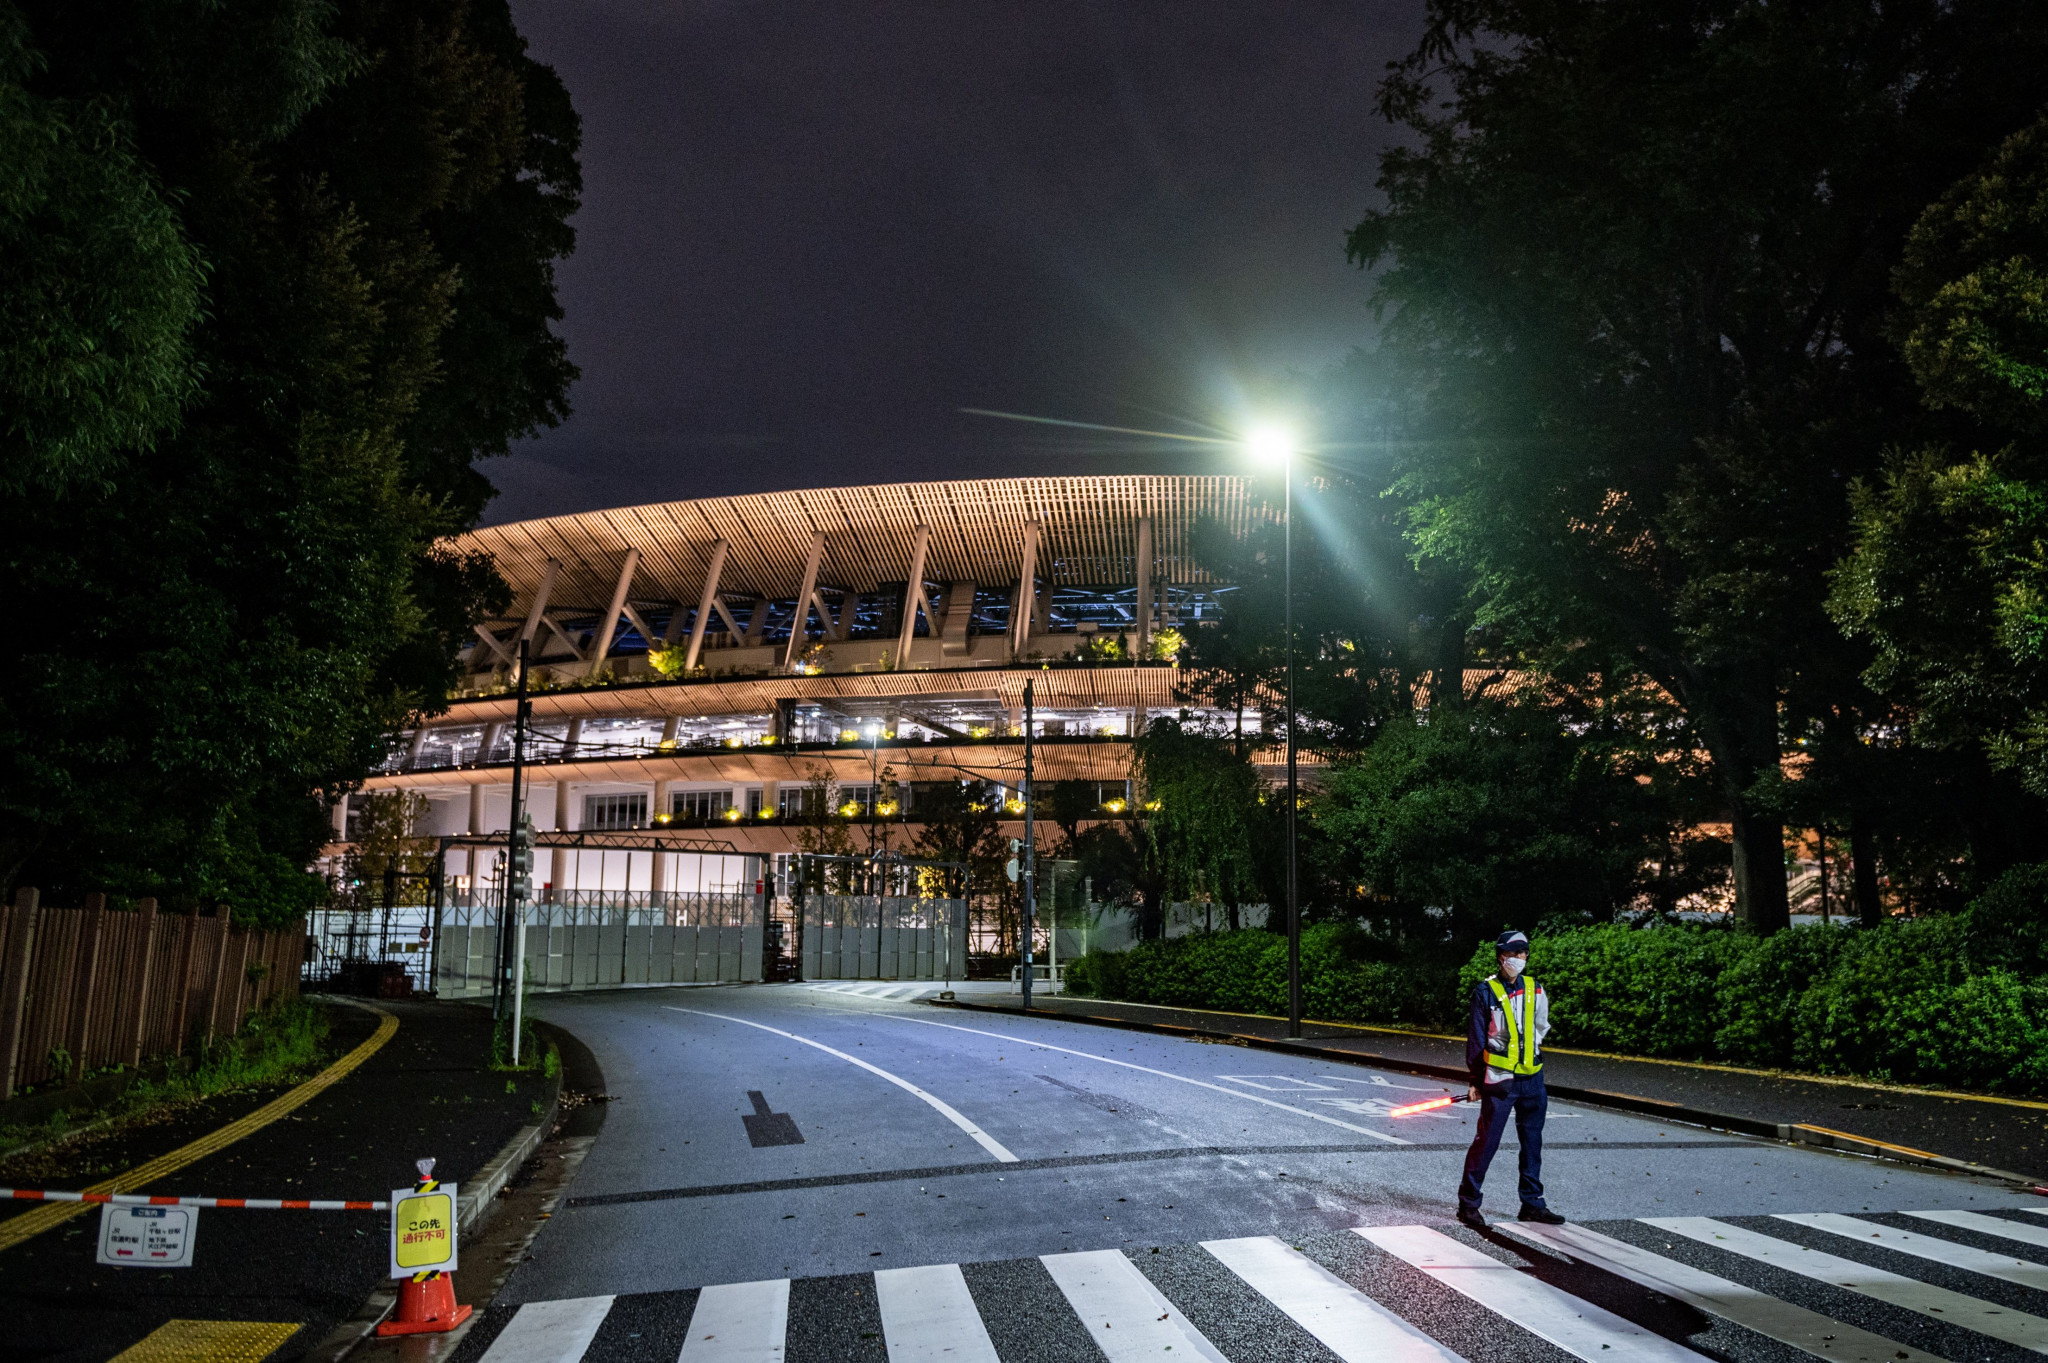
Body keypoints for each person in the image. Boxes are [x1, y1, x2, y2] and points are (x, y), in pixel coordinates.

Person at [1457, 929, 1565, 1230]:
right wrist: (1476, 1080)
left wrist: (1530, 1053)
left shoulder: (1534, 988)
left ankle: (1532, 1203)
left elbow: (1541, 1026)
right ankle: (1468, 1204)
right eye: (1511, 953)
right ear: (1499, 956)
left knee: (1533, 1143)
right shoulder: (1485, 991)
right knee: (1487, 1142)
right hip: (1500, 1081)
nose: (1516, 958)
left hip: (1532, 1079)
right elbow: (1476, 1040)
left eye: (1521, 953)